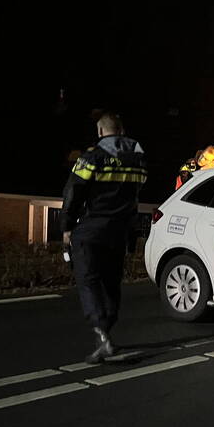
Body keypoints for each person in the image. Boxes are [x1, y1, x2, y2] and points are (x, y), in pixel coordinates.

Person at [61, 112, 147, 363]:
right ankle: (107, 331)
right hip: (119, 231)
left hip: (93, 228)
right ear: (121, 130)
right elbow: (135, 198)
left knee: (88, 280)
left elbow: (73, 191)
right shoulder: (138, 160)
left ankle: (101, 334)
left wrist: (66, 227)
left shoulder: (92, 158)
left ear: (100, 132)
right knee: (111, 282)